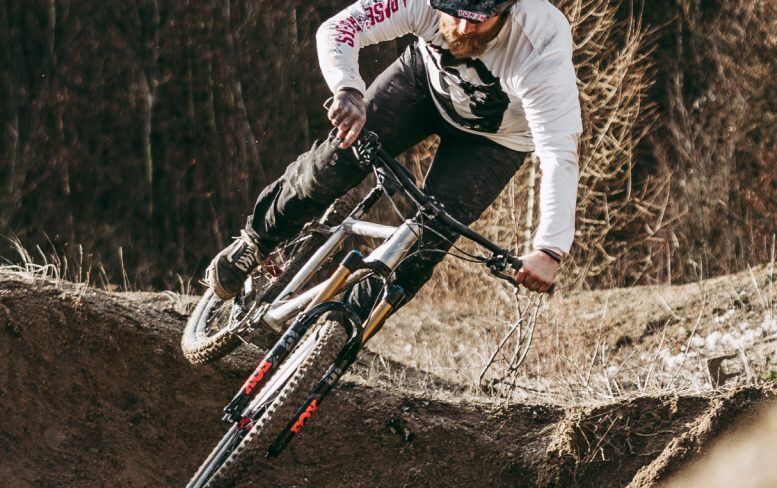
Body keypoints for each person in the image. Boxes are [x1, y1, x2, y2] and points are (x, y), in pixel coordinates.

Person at [206, 0, 580, 301]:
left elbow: (558, 151)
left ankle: (341, 330)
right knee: (335, 160)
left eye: (479, 19)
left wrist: (549, 249)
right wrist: (347, 88)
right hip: (421, 86)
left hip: (497, 140)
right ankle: (256, 241)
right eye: (455, 13)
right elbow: (340, 28)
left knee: (426, 243)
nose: (464, 28)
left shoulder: (540, 43)